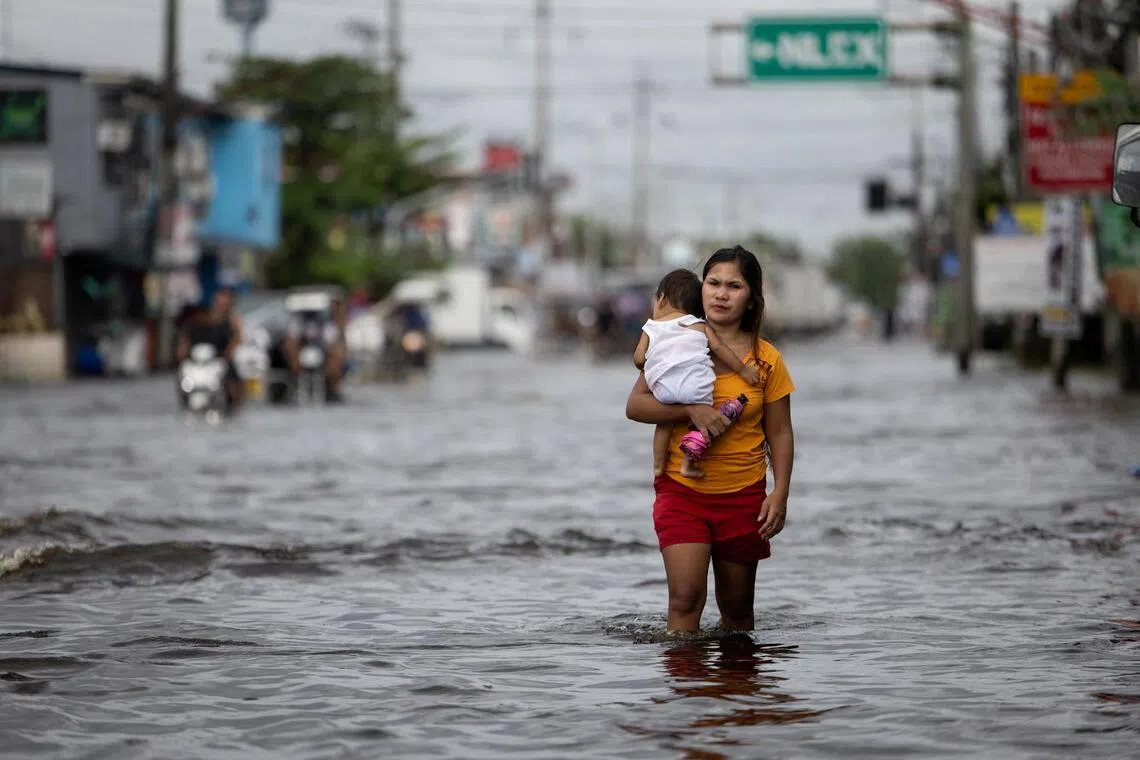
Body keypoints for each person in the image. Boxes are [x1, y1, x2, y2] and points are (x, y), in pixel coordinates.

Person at [625, 245, 795, 634]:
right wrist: (689, 411)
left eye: (734, 286)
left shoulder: (767, 359)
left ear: (752, 298)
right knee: (685, 599)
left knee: (736, 612)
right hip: (681, 492)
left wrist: (780, 493)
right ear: (700, 290)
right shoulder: (676, 341)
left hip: (744, 497)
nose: (721, 294)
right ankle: (687, 691)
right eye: (713, 283)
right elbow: (635, 406)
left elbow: (781, 432)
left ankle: (738, 692)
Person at [633, 269, 761, 480]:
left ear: (662, 299)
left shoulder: (652, 327)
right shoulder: (699, 325)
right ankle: (688, 463)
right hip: (696, 389)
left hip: (664, 390)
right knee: (705, 421)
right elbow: (719, 349)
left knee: (664, 423)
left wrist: (651, 364)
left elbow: (639, 359)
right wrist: (743, 370)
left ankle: (657, 465)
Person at [175, 286, 244, 408]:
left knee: (233, 378)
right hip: (200, 359)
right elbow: (186, 338)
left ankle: (234, 402)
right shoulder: (202, 319)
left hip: (221, 359)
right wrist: (183, 349)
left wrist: (227, 354)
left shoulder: (233, 321)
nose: (223, 304)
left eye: (226, 300)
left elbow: (237, 340)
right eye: (221, 299)